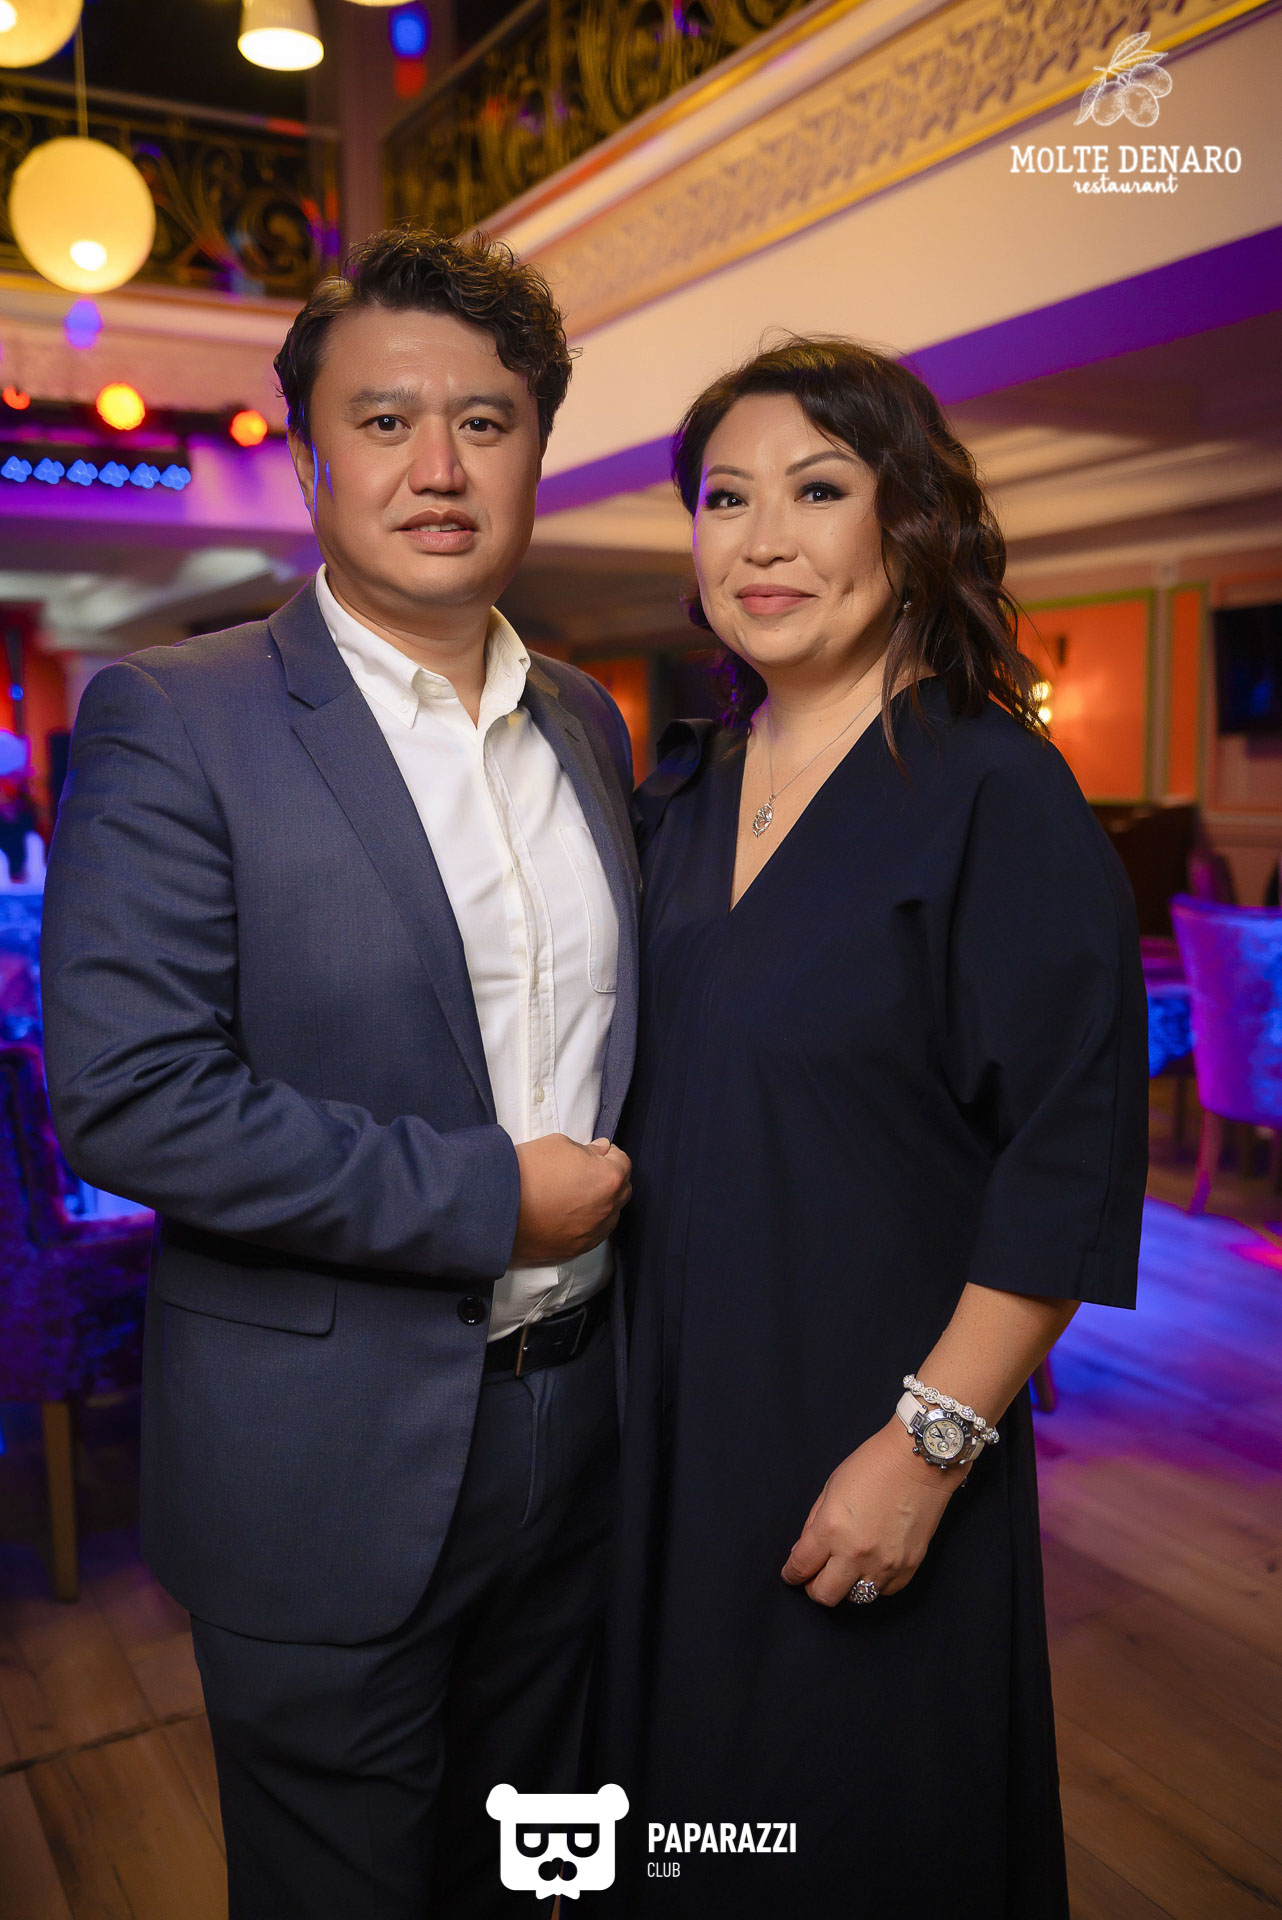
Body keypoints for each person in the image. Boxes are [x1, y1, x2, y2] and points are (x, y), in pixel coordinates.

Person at [41, 228, 638, 1920]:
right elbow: (134, 1093)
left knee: (546, 1877)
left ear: (535, 451)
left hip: (584, 1421)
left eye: (484, 421)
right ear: (309, 462)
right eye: (383, 422)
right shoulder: (179, 715)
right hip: (322, 1454)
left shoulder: (589, 721)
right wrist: (488, 1200)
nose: (437, 466)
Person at [595, 337, 1148, 1917]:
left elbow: (1063, 1153)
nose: (762, 541)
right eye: (724, 499)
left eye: (817, 491)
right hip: (669, 1417)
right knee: (687, 1836)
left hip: (865, 1414)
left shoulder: (993, 791)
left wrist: (923, 1450)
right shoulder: (683, 794)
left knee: (849, 1836)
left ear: (908, 524)